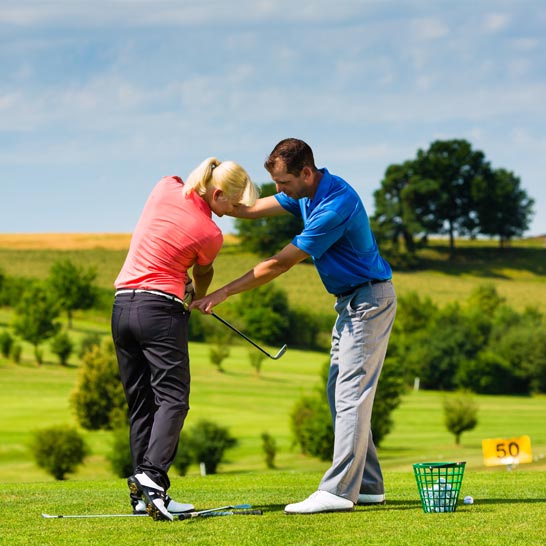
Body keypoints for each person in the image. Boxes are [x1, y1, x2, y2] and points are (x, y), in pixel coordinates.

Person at [191, 138, 397, 514]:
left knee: (352, 394)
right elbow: (252, 209)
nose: (280, 191)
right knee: (340, 393)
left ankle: (338, 490)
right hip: (351, 303)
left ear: (306, 172)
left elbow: (279, 263)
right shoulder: (303, 192)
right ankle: (367, 485)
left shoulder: (335, 204)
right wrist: (209, 202)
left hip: (369, 302)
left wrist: (221, 293)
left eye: (283, 183)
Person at [111, 157, 258, 521]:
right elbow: (201, 273)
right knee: (173, 399)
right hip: (159, 312)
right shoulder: (211, 234)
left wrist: (182, 278)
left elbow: (168, 238)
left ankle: (144, 495)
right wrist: (196, 296)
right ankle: (153, 478)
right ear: (219, 193)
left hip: (121, 307)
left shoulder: (165, 186)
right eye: (234, 204)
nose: (235, 212)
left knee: (142, 402)